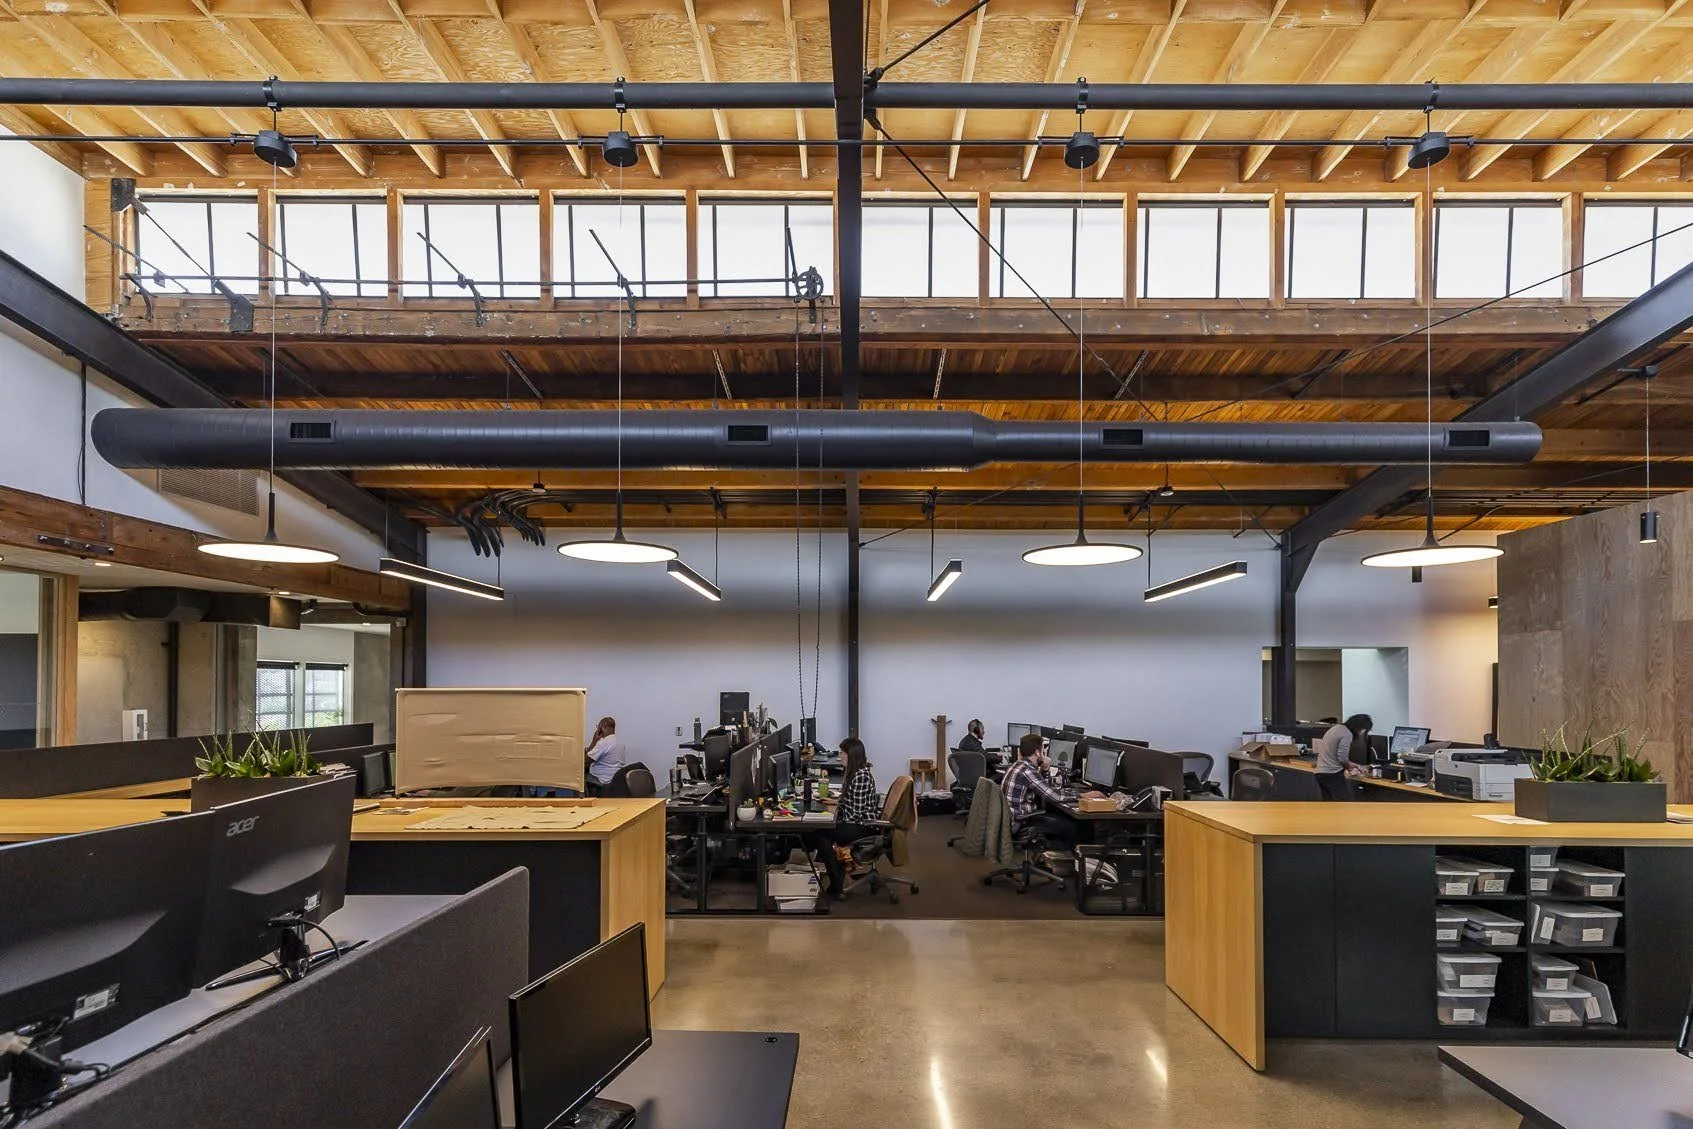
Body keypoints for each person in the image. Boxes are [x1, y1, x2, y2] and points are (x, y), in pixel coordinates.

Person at [1000, 732, 1103, 851]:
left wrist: (1045, 769)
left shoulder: (1017, 766)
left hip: (1016, 819)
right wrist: (1083, 795)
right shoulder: (1027, 771)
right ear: (1038, 752)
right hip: (1022, 822)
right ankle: (1067, 865)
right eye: (1043, 749)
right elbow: (1055, 796)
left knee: (1065, 820)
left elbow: (1043, 788)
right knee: (1076, 827)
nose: (1044, 753)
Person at [818, 737, 879, 899]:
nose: (840, 757)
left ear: (851, 756)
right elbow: (852, 802)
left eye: (842, 754)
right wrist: (837, 802)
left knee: (822, 836)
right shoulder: (855, 772)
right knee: (824, 831)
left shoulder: (860, 776)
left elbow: (854, 814)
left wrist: (835, 813)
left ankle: (837, 885)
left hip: (862, 826)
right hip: (857, 821)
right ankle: (839, 874)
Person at [1314, 713, 1372, 801]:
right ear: (1360, 727)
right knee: (1344, 805)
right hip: (1332, 775)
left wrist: (1356, 766)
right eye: (1364, 730)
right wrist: (1349, 767)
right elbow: (1342, 758)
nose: (1362, 733)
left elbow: (1337, 757)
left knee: (1328, 807)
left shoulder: (1336, 728)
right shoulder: (1347, 734)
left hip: (1320, 773)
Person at [584, 716, 625, 794]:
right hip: (616, 779)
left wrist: (594, 740)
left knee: (581, 778)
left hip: (602, 779)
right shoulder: (620, 742)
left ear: (602, 727)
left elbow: (586, 760)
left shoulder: (604, 743)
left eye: (598, 727)